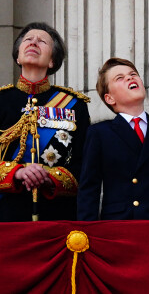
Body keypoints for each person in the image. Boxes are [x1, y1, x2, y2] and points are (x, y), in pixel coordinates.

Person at [77, 57, 149, 220]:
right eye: (120, 78)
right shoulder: (99, 133)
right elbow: (89, 188)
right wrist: (87, 233)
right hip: (119, 224)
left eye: (133, 74)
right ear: (109, 98)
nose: (130, 78)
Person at [0, 22, 90, 221]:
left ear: (52, 61)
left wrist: (49, 177)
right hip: (6, 214)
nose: (34, 43)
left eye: (42, 41)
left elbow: (84, 165)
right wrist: (16, 172)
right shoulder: (2, 100)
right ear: (18, 56)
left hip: (57, 214)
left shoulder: (74, 105)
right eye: (28, 40)